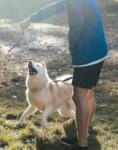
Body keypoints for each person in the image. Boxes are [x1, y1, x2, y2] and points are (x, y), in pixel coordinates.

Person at [20, 0, 108, 150]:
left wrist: (74, 48)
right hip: (99, 48)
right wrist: (31, 19)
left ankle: (82, 145)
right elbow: (57, 6)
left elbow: (76, 25)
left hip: (86, 53)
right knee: (88, 93)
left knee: (78, 97)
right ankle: (83, 134)